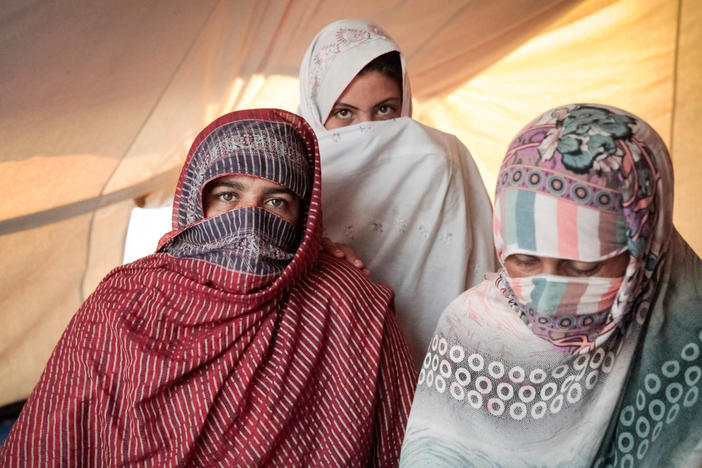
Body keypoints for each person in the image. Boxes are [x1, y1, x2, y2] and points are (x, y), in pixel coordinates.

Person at [0, 109, 417, 466]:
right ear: (194, 203)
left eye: (276, 202)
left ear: (304, 217)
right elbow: (51, 443)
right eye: (228, 196)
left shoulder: (349, 306)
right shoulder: (123, 302)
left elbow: (407, 446)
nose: (250, 221)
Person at [399, 103, 702, 467]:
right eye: (525, 262)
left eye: (583, 267)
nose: (548, 295)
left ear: (647, 248)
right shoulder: (470, 333)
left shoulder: (690, 336)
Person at [299, 19, 496, 365]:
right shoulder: (289, 178)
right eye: (344, 113)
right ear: (315, 114)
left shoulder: (442, 160)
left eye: (386, 110)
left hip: (448, 377)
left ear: (405, 104)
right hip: (329, 376)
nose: (369, 132)